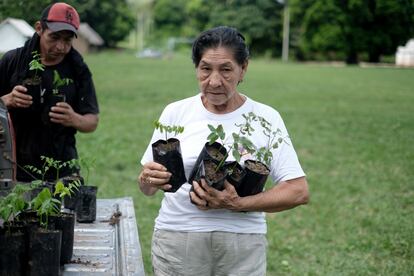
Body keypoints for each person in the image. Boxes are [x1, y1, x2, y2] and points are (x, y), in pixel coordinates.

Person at [138, 26, 309, 276]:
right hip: (178, 239)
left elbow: (298, 191)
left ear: (243, 69)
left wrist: (237, 203)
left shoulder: (266, 119)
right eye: (206, 69)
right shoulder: (175, 113)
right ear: (196, 68)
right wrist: (146, 179)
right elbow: (148, 189)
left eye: (226, 69)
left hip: (242, 246)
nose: (215, 81)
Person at [0, 2, 99, 181]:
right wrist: (6, 100)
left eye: (67, 40)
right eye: (54, 37)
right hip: (13, 165)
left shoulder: (78, 69)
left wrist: (73, 118)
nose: (60, 47)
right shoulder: (12, 61)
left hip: (63, 169)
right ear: (39, 28)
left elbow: (92, 122)